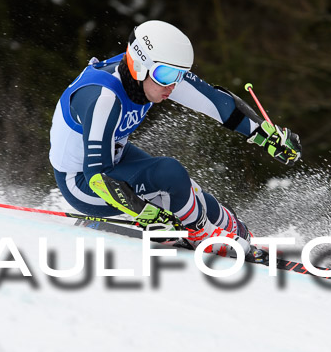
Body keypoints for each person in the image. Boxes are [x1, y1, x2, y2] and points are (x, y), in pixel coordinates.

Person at [49, 20, 302, 259]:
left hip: (114, 158)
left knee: (194, 195)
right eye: (168, 75)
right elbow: (98, 179)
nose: (173, 85)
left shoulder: (153, 77)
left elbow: (214, 101)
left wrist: (266, 135)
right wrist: (147, 214)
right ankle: (201, 235)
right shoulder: (103, 98)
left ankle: (242, 235)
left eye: (180, 75)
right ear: (139, 64)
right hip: (82, 183)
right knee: (170, 175)